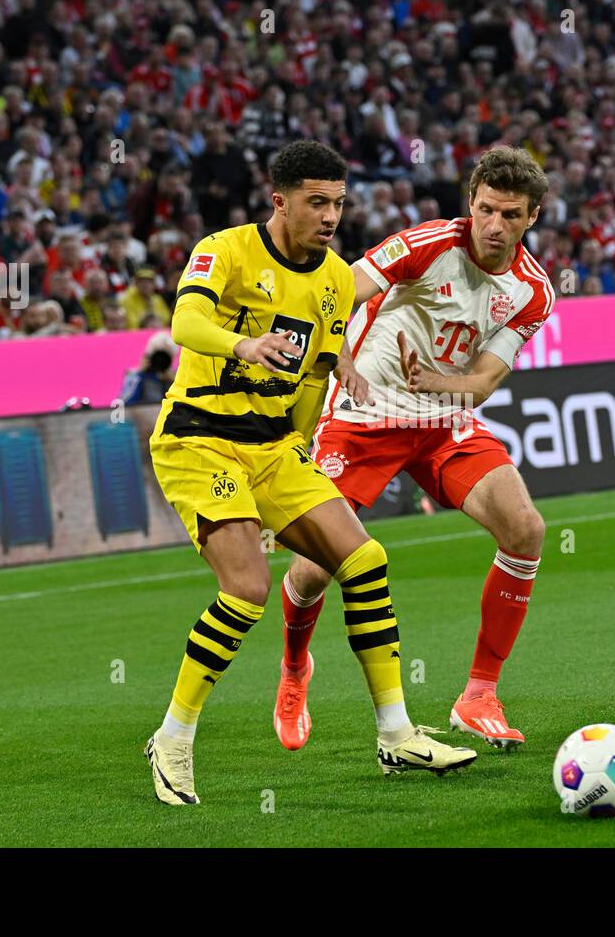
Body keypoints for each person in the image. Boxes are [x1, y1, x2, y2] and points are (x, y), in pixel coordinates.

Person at [144, 140, 476, 807]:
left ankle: (396, 732)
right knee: (247, 587)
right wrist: (242, 344)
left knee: (365, 558)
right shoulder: (226, 249)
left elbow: (315, 374)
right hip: (200, 439)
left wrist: (314, 416)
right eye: (317, 202)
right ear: (280, 201)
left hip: (273, 448)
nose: (331, 216)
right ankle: (173, 739)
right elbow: (185, 320)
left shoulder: (332, 279)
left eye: (339, 203)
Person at [274, 146, 553, 751]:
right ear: (470, 203)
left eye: (510, 214)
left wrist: (439, 385)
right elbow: (335, 293)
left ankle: (479, 695)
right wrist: (339, 358)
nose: (494, 225)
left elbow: (480, 383)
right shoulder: (426, 244)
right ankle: (295, 666)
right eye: (485, 210)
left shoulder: (533, 292)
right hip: (363, 415)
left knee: (525, 529)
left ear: (531, 217)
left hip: (441, 419)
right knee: (315, 568)